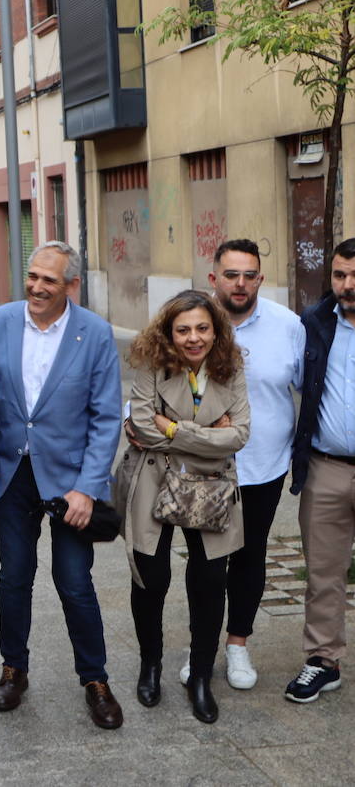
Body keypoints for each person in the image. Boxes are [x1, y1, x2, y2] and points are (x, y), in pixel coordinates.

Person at [0, 241, 124, 729]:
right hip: (12, 475)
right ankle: (13, 670)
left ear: (72, 286)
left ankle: (95, 679)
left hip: (69, 483)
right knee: (13, 578)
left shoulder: (95, 333)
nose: (37, 287)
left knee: (75, 582)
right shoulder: (2, 321)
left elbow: (107, 419)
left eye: (49, 280)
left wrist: (88, 487)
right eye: (33, 276)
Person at [120, 291, 249, 723]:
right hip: (154, 480)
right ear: (168, 332)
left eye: (202, 328)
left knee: (210, 580)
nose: (193, 338)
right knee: (150, 578)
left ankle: (200, 676)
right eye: (183, 329)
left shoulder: (231, 367)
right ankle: (151, 664)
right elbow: (140, 426)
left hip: (211, 488)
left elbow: (240, 435)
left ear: (215, 330)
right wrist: (206, 434)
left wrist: (172, 427)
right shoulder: (150, 364)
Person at [194, 239, 303, 690]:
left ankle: (237, 645)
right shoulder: (191, 321)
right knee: (205, 564)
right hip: (203, 465)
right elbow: (155, 376)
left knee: (249, 557)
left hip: (264, 465)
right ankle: (201, 649)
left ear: (260, 279)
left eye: (249, 275)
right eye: (231, 275)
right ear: (213, 277)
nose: (240, 284)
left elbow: (310, 388)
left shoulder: (288, 326)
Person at [285, 236, 355, 702]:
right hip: (328, 467)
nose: (347, 286)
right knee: (323, 572)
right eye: (339, 275)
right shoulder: (312, 323)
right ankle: (323, 660)